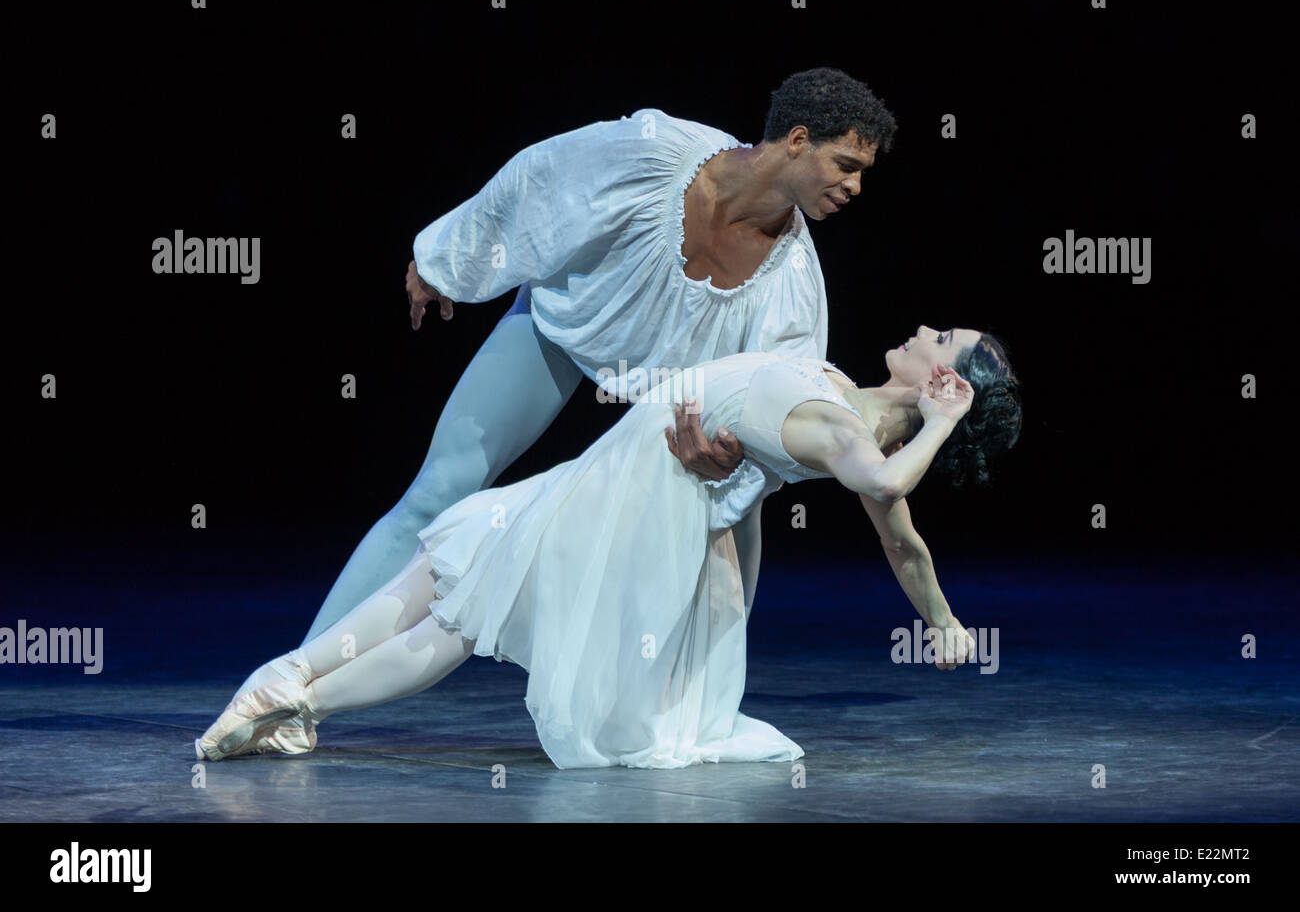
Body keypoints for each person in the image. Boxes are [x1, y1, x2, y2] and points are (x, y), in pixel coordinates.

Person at [196, 326, 1022, 769]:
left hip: (634, 492)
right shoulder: (840, 399)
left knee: (465, 585)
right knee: (464, 584)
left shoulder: (845, 426)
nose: (922, 328)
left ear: (943, 386)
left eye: (941, 337)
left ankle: (287, 688)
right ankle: (292, 696)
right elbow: (892, 507)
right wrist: (944, 620)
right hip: (631, 476)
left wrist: (945, 617)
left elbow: (894, 518)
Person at [298, 67, 899, 655]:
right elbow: (543, 176)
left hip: (669, 402)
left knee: (729, 536)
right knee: (439, 491)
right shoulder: (661, 152)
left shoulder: (792, 280)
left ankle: (692, 704)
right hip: (567, 318)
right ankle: (285, 682)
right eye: (846, 166)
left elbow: (784, 393)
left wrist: (732, 458)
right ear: (797, 140)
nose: (855, 187)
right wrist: (446, 260)